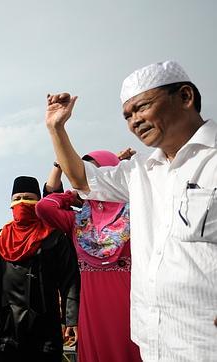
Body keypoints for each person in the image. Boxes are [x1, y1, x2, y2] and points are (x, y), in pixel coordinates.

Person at [45, 60, 216, 361]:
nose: (134, 121)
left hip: (204, 340)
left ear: (185, 97)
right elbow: (81, 178)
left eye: (142, 107)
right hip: (153, 339)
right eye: (127, 115)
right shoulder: (140, 171)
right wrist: (56, 128)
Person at [36, 150, 142, 361]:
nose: (87, 179)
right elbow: (43, 207)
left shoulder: (137, 207)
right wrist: (71, 196)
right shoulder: (78, 219)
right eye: (84, 173)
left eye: (93, 171)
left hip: (129, 299)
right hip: (92, 303)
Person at [0, 176, 79, 362]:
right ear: (11, 203)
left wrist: (71, 318)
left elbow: (70, 280)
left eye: (28, 197)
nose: (22, 202)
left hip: (43, 327)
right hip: (3, 325)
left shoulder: (54, 237)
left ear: (38, 202)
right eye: (17, 198)